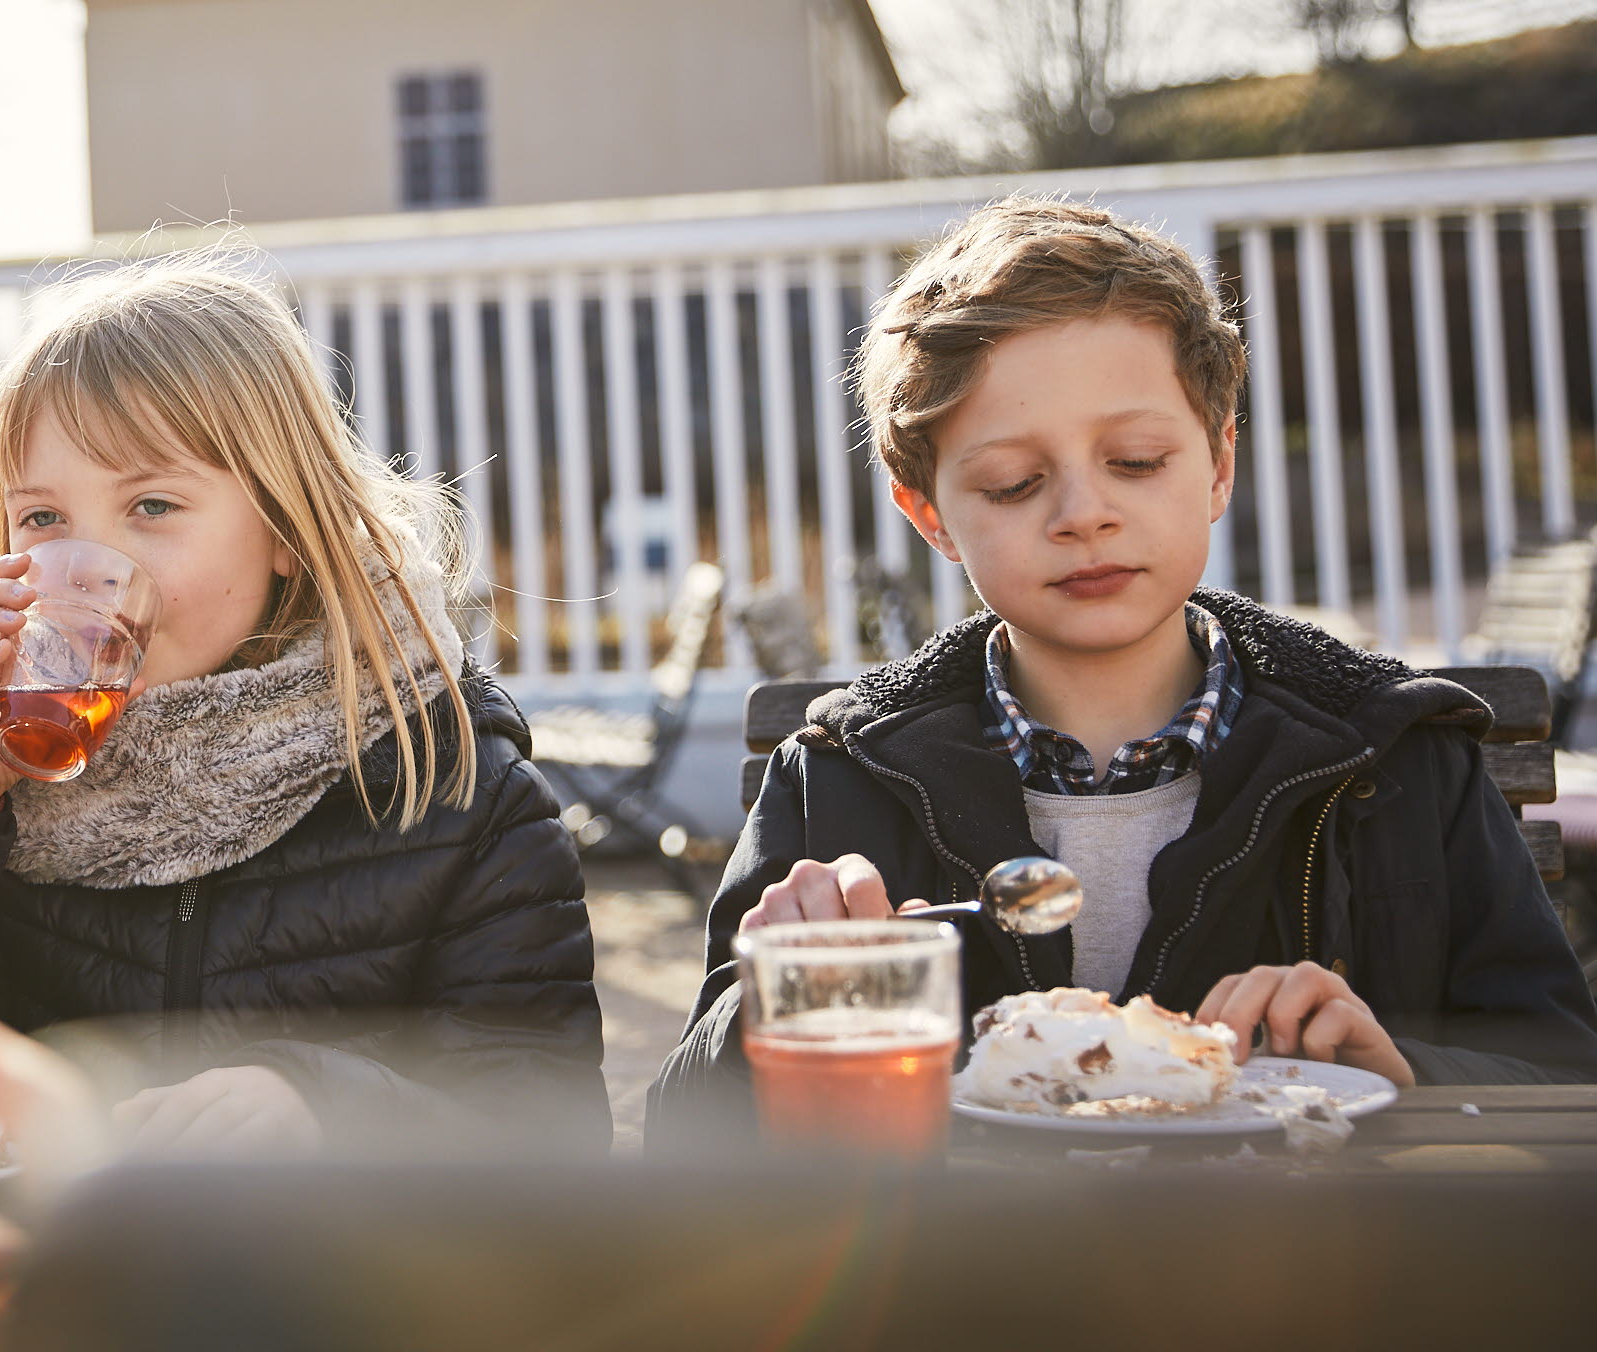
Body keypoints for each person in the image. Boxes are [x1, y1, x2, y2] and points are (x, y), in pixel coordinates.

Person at [650, 199, 1597, 1143]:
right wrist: (770, 1001)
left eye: (1136, 461)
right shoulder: (838, 782)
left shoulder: (1392, 760)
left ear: (1218, 463)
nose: (1082, 513)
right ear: (929, 514)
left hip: (1315, 1275)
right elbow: (683, 1147)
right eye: (1014, 483)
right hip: (953, 1284)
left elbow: (1561, 1080)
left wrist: (1402, 1073)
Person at [0, 257, 609, 1154]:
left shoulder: (455, 792)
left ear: (287, 532)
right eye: (43, 520)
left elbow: (547, 1142)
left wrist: (324, 1105)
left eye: (152, 504)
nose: (91, 563)